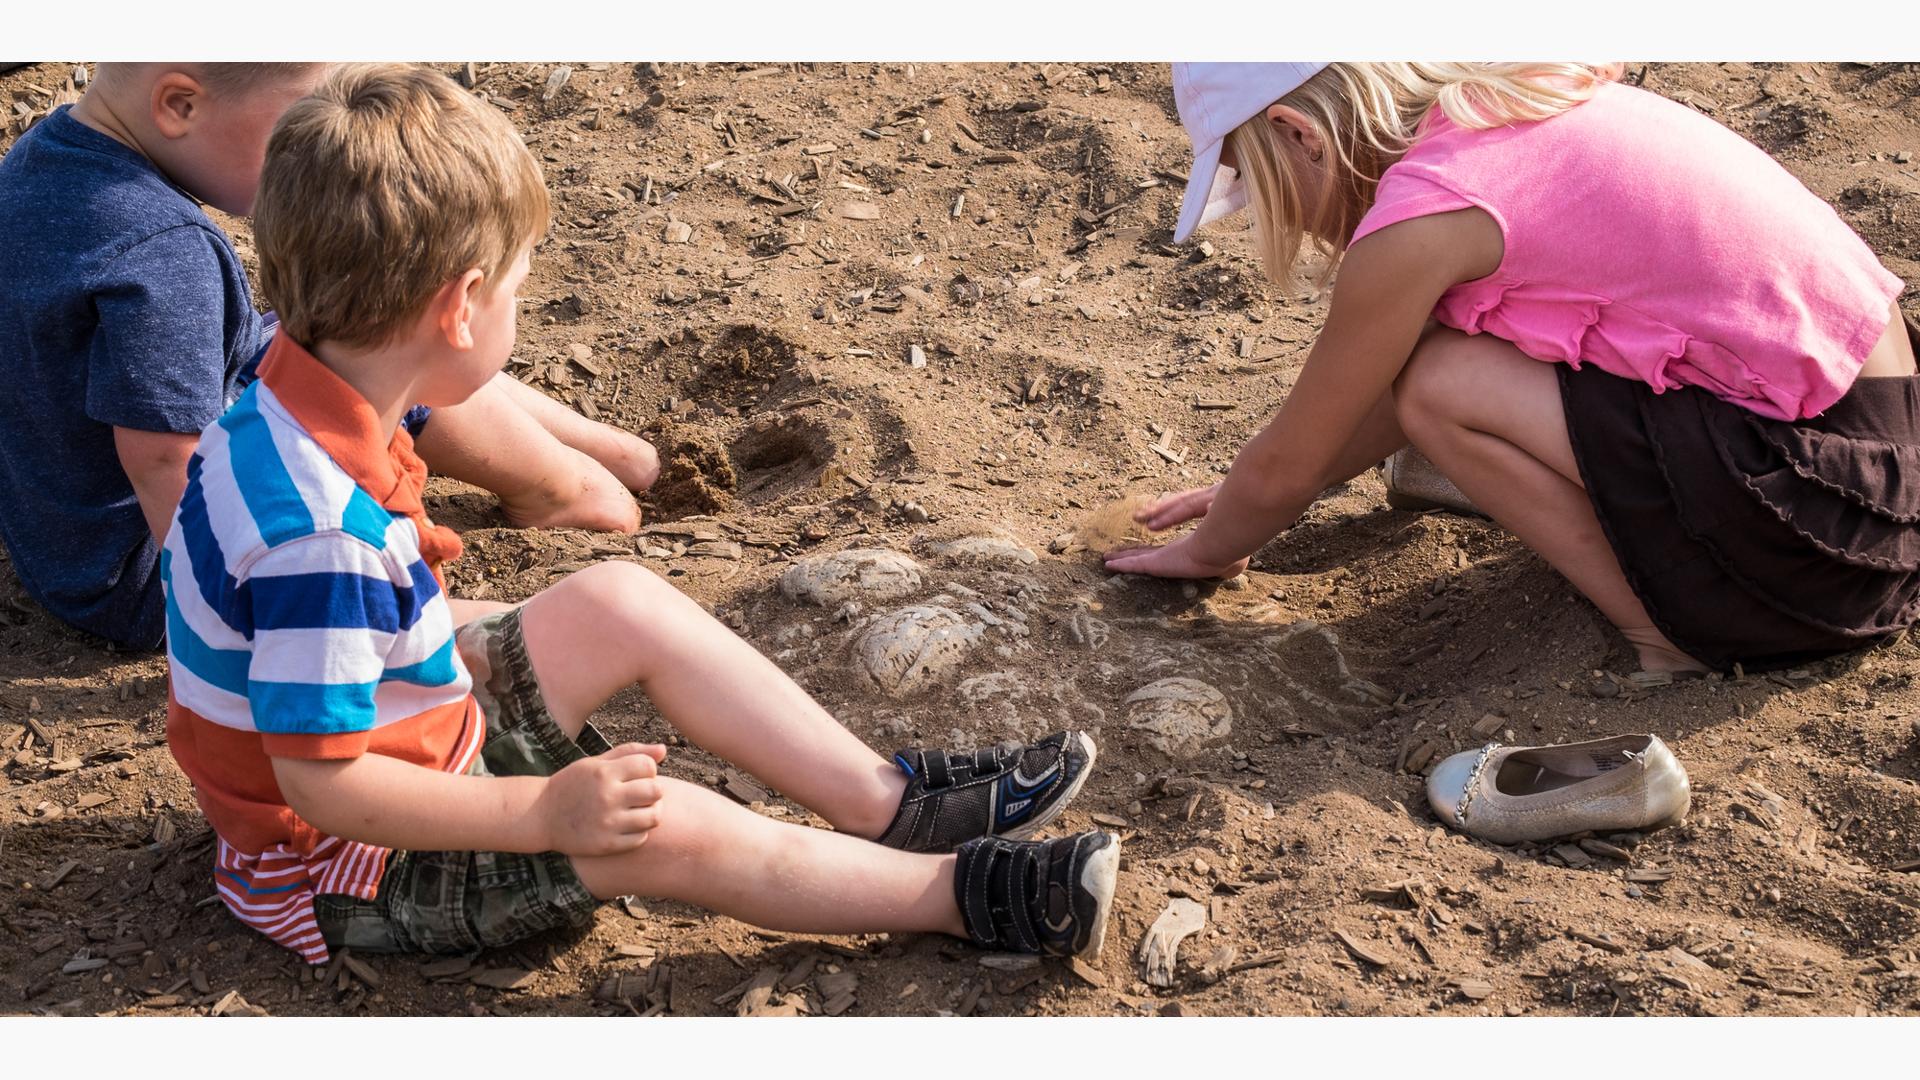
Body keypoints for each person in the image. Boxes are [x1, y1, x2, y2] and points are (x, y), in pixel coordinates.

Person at [161, 63, 1118, 966]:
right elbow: (321, 784)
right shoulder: (319, 533)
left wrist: (473, 651)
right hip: (352, 865)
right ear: (461, 307)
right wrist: (542, 814)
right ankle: (960, 893)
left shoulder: (278, 409)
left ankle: (888, 803)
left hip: (412, 731)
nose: (520, 309)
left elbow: (310, 642)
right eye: (519, 289)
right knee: (672, 823)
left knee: (620, 598)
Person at [1107, 63, 1920, 676]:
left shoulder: (1421, 220)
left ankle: (1669, 634)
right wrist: (1277, 484)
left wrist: (1216, 546)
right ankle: (1690, 589)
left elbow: (1350, 421)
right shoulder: (1522, 101)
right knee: (1443, 367)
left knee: (1444, 390)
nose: (1271, 209)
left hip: (1826, 535)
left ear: (1299, 134)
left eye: (1253, 179)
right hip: (1889, 479)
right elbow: (1330, 429)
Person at [0, 62, 657, 652]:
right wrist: (235, 611)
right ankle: (558, 488)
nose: (325, 155)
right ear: (180, 105)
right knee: (379, 341)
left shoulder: (45, 163)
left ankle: (604, 453)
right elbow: (165, 459)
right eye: (302, 126)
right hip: (153, 574)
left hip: (61, 532)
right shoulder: (164, 251)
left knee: (329, 330)